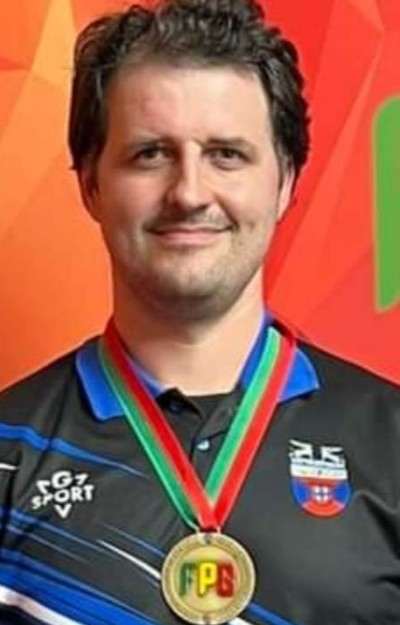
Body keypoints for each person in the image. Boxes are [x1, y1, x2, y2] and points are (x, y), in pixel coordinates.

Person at [0, 0, 400, 623]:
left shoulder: (391, 442)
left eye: (227, 154)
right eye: (151, 154)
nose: (189, 192)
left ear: (285, 182)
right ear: (91, 185)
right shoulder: (8, 449)